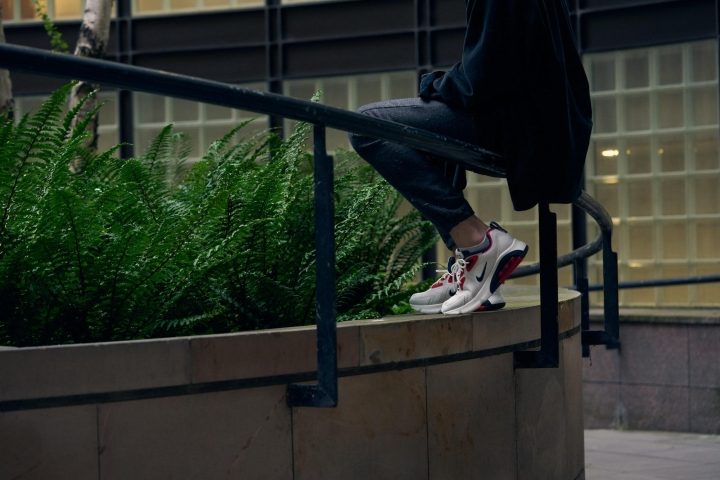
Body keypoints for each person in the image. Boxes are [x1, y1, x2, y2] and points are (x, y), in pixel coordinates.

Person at [348, 0, 592, 315]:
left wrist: (433, 84)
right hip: (546, 128)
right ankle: (474, 271)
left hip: (523, 128)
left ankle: (479, 243)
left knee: (366, 125)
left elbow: (484, 80)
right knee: (431, 122)